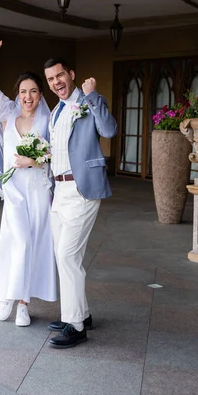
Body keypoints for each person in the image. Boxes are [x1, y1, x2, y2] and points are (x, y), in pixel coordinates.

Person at [0, 40, 56, 327]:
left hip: (37, 191)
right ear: (18, 95)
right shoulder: (7, 116)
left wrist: (34, 161)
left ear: (40, 95)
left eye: (33, 91)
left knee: (32, 244)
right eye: (23, 91)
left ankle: (23, 303)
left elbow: (54, 156)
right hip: (14, 193)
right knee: (19, 241)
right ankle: (7, 295)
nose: (28, 96)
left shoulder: (47, 121)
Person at [43, 57, 117, 348]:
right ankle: (80, 314)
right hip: (58, 192)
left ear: (71, 74)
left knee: (67, 256)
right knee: (66, 257)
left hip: (82, 189)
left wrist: (93, 96)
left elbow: (109, 130)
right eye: (50, 79)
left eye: (59, 75)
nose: (56, 82)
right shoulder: (55, 112)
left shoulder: (88, 101)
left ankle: (75, 326)